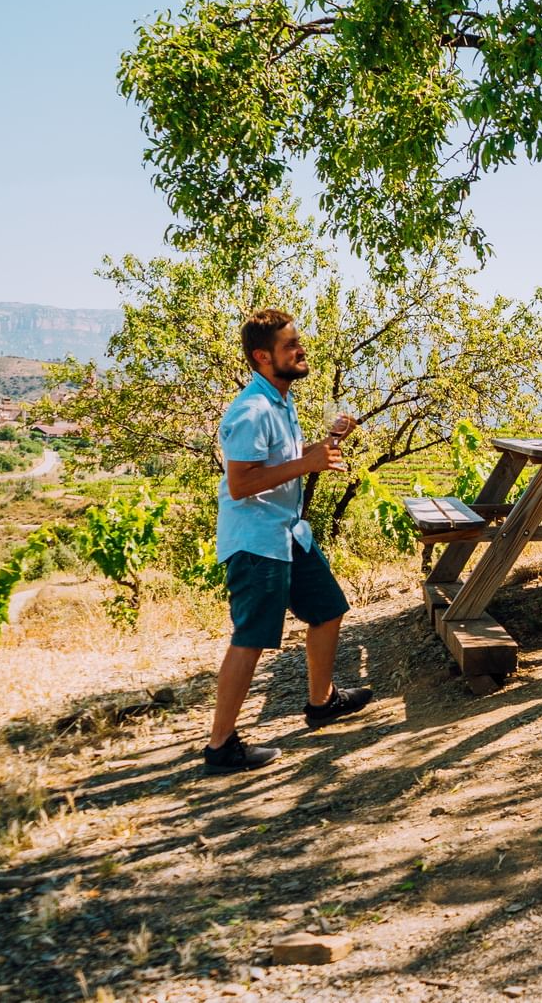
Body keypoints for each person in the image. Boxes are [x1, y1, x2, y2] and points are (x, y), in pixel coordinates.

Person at [202, 309, 374, 775]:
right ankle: (221, 747)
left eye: (299, 341)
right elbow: (240, 484)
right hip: (258, 542)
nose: (301, 350)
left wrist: (324, 445)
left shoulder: (279, 400)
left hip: (289, 533)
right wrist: (308, 463)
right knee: (252, 639)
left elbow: (280, 460)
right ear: (262, 357)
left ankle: (322, 704)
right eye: (290, 345)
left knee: (328, 609)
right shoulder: (251, 410)